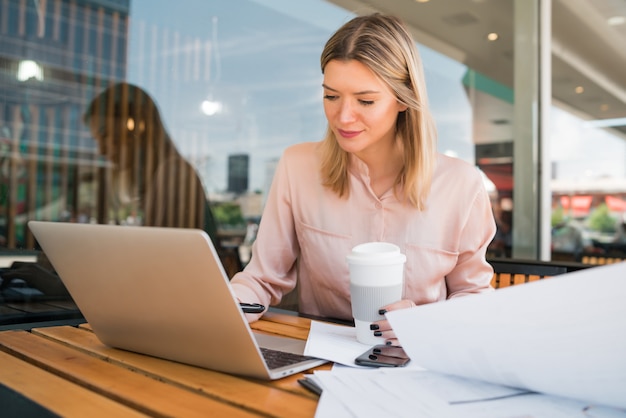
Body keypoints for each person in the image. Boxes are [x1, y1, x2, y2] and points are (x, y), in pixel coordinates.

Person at [230, 13, 496, 345]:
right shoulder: (296, 167)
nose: (342, 116)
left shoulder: (461, 185)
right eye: (331, 96)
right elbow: (262, 280)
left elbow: (475, 296)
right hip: (320, 363)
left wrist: (425, 323)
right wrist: (226, 304)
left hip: (419, 361)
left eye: (365, 101)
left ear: (403, 99)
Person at [83, 82, 218, 242]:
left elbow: (163, 256)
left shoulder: (173, 175)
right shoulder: (161, 176)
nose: (101, 151)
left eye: (105, 135)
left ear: (134, 126)